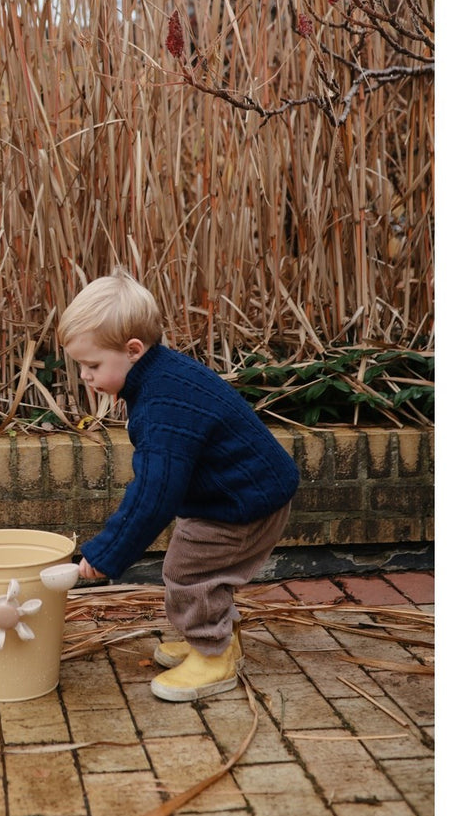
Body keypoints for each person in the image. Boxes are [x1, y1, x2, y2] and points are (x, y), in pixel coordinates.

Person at [58, 268, 299, 701]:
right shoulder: (159, 375)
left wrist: (106, 555)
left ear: (133, 350)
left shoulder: (161, 406)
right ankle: (216, 637)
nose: (85, 376)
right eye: (81, 365)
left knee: (189, 571)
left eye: (92, 365)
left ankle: (213, 655)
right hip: (233, 490)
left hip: (243, 500)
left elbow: (154, 493)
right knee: (198, 564)